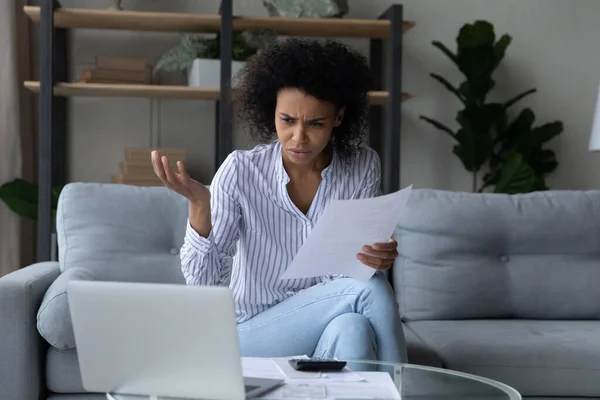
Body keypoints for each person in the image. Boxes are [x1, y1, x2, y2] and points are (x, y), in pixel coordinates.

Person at [151, 38, 407, 364]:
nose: (298, 137)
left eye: (315, 124)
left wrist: (377, 259)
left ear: (339, 117)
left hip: (325, 322)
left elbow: (355, 277)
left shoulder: (362, 166)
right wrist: (201, 209)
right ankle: (404, 391)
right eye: (287, 120)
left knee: (353, 328)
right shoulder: (240, 171)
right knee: (371, 293)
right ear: (271, 110)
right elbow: (203, 285)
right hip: (249, 335)